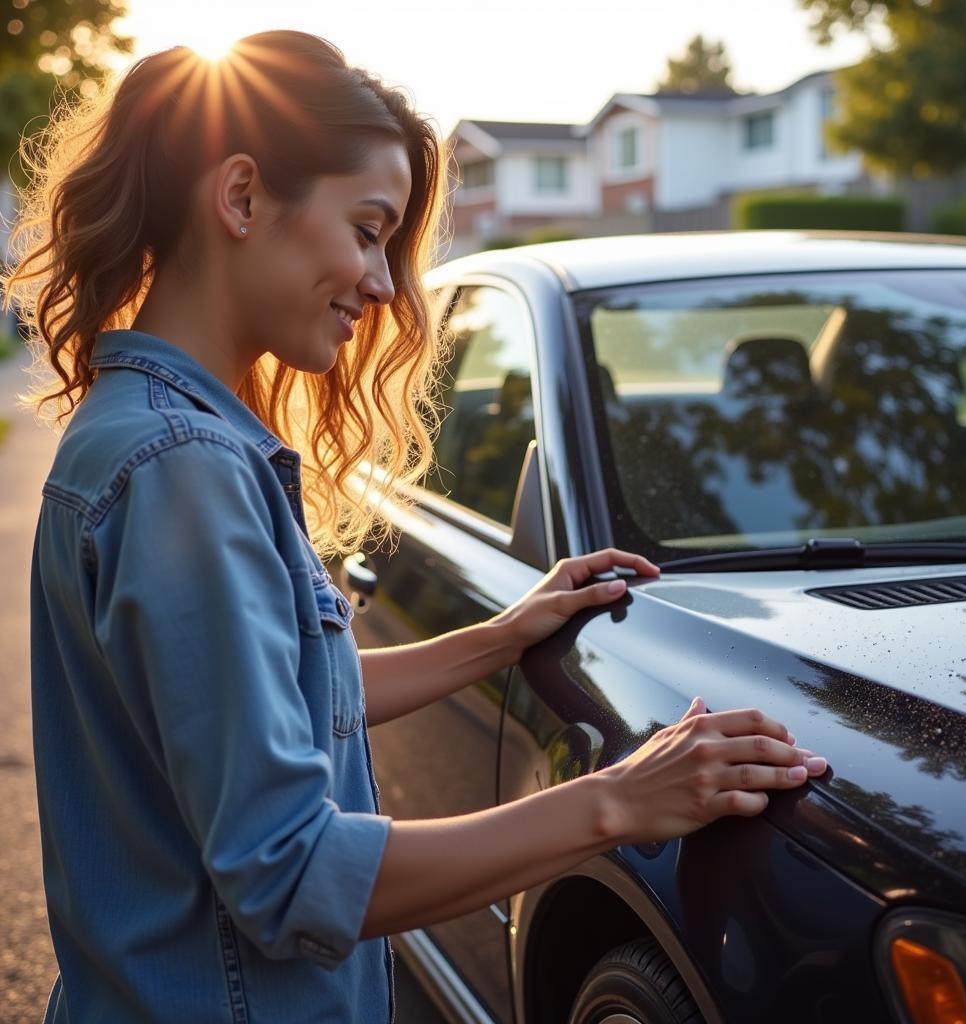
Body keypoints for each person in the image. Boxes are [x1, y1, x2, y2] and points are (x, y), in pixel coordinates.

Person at [3, 30, 828, 1024]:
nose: (386, 283)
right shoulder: (183, 471)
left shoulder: (138, 430)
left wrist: (494, 640)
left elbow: (265, 698)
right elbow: (292, 870)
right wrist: (617, 801)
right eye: (366, 228)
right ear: (241, 198)